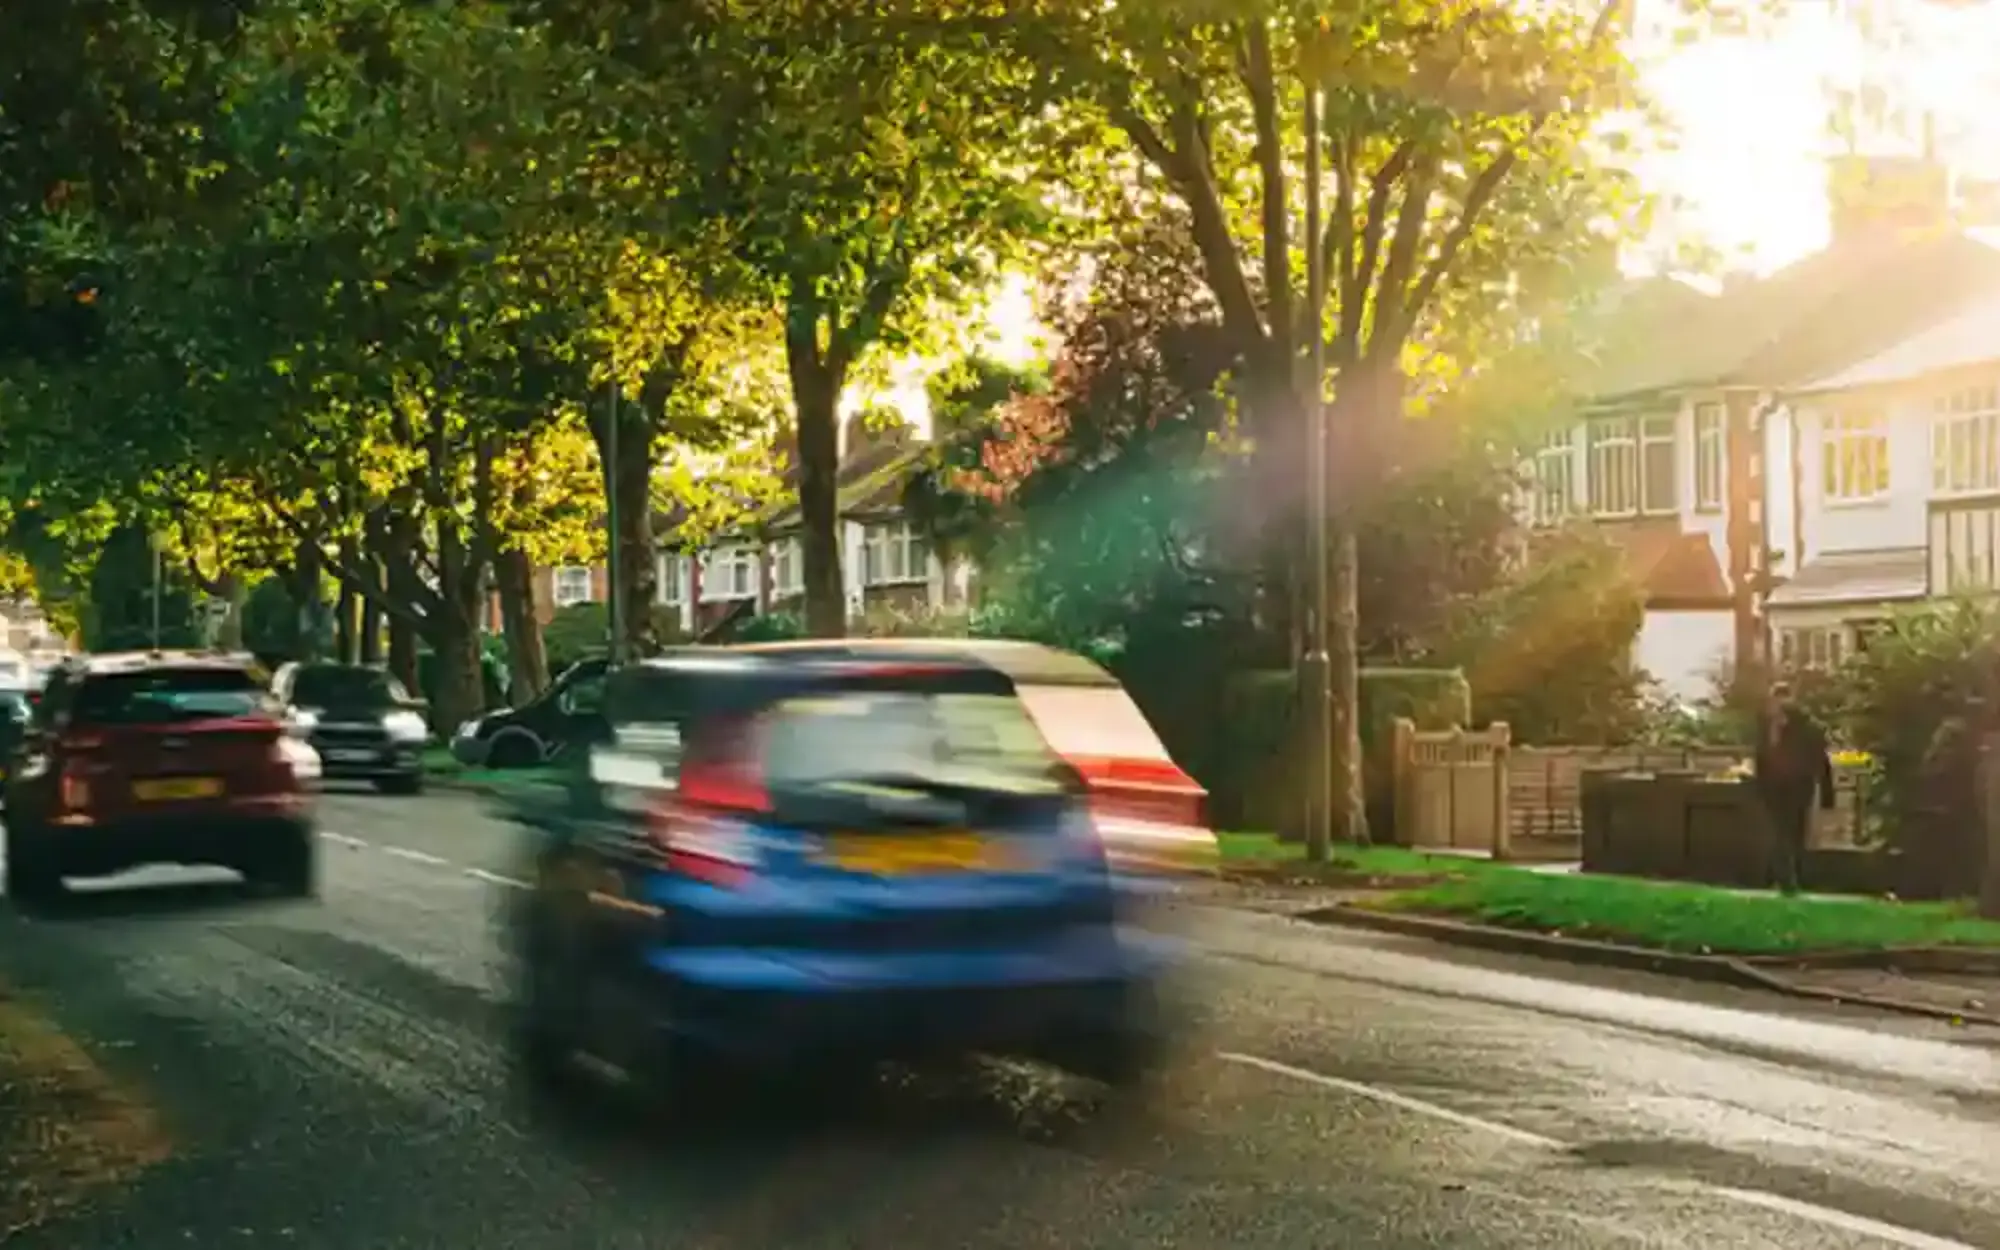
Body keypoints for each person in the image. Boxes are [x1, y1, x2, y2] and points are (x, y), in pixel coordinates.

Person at [1752, 680, 1836, 894]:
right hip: (1774, 788)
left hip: (1798, 785)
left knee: (1793, 832)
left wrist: (1827, 793)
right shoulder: (1767, 726)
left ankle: (1788, 879)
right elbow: (1761, 757)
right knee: (1781, 832)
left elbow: (1820, 759)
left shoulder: (1805, 726)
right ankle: (1785, 879)